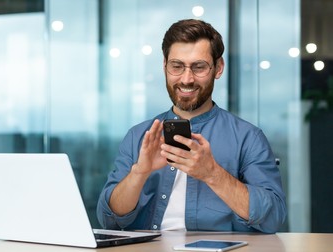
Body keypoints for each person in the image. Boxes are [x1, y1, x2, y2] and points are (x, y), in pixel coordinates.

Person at [96, 19, 287, 233]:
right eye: (177, 66)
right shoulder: (138, 136)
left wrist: (212, 173)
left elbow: (273, 217)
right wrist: (139, 173)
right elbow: (108, 220)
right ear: (165, 66)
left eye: (199, 67)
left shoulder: (248, 137)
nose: (187, 79)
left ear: (218, 68)